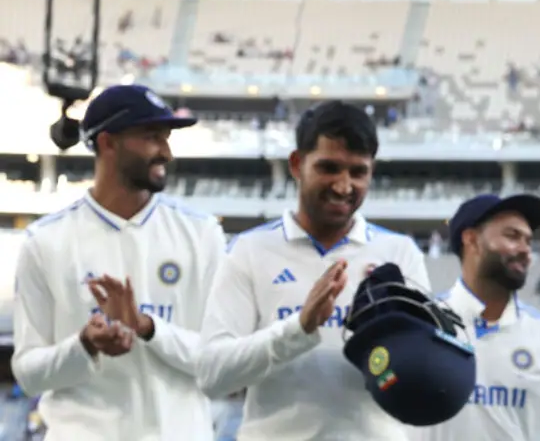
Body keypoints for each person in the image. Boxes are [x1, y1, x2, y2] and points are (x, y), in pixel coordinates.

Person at [196, 100, 431, 441]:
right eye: (329, 168)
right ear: (297, 164)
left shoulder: (399, 254)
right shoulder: (249, 251)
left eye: (358, 172)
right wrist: (299, 327)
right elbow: (213, 375)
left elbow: (416, 374)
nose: (343, 185)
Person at [12, 84, 225, 441]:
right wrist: (84, 345)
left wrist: (147, 327)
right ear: (108, 143)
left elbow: (223, 362)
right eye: (152, 137)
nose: (167, 152)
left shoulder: (202, 234)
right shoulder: (45, 241)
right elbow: (29, 373)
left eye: (167, 137)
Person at [411, 193, 540, 441]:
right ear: (472, 240)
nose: (525, 250)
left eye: (528, 241)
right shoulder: (419, 324)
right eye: (512, 236)